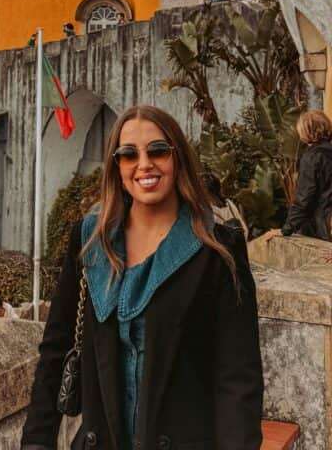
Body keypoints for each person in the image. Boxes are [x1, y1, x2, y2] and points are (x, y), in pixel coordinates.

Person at [21, 104, 263, 450]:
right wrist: (36, 442)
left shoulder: (218, 249)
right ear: (116, 167)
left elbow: (238, 378)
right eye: (128, 154)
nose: (144, 164)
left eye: (158, 151)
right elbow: (56, 351)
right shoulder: (90, 241)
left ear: (177, 157)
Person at [268, 111, 332, 241]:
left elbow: (304, 198)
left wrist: (286, 229)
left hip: (323, 228)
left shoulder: (312, 157)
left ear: (305, 132)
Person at [201, 170, 248, 240]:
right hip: (241, 243)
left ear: (205, 191)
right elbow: (245, 231)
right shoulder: (229, 202)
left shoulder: (208, 212)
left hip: (231, 247)